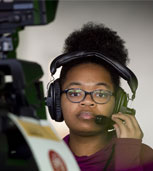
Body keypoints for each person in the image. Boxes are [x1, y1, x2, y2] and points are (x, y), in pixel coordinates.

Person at [49, 22, 153, 170]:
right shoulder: (43, 159)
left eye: (101, 93)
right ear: (56, 99)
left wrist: (128, 158)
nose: (87, 101)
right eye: (75, 93)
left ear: (118, 103)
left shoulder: (145, 157)